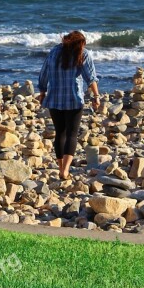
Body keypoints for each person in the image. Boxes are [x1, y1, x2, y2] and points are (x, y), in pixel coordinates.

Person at [37, 31, 100, 180]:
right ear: (80, 44)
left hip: (54, 99)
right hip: (74, 100)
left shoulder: (54, 52)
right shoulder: (83, 54)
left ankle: (60, 168)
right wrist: (96, 96)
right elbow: (91, 78)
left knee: (60, 133)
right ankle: (65, 170)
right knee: (72, 134)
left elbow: (44, 73)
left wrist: (42, 91)